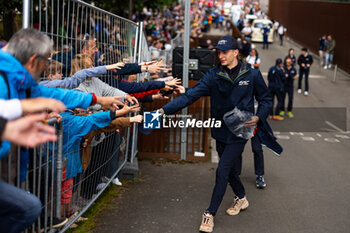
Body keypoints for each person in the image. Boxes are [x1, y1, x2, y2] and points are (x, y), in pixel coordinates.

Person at [158, 36, 282, 233]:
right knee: (231, 171)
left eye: (225, 52)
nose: (220, 55)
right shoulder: (213, 75)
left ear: (235, 52)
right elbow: (191, 96)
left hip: (241, 131)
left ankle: (209, 214)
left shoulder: (252, 74)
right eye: (218, 52)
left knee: (222, 171)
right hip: (220, 129)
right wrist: (162, 112)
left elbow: (266, 99)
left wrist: (259, 117)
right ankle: (241, 198)